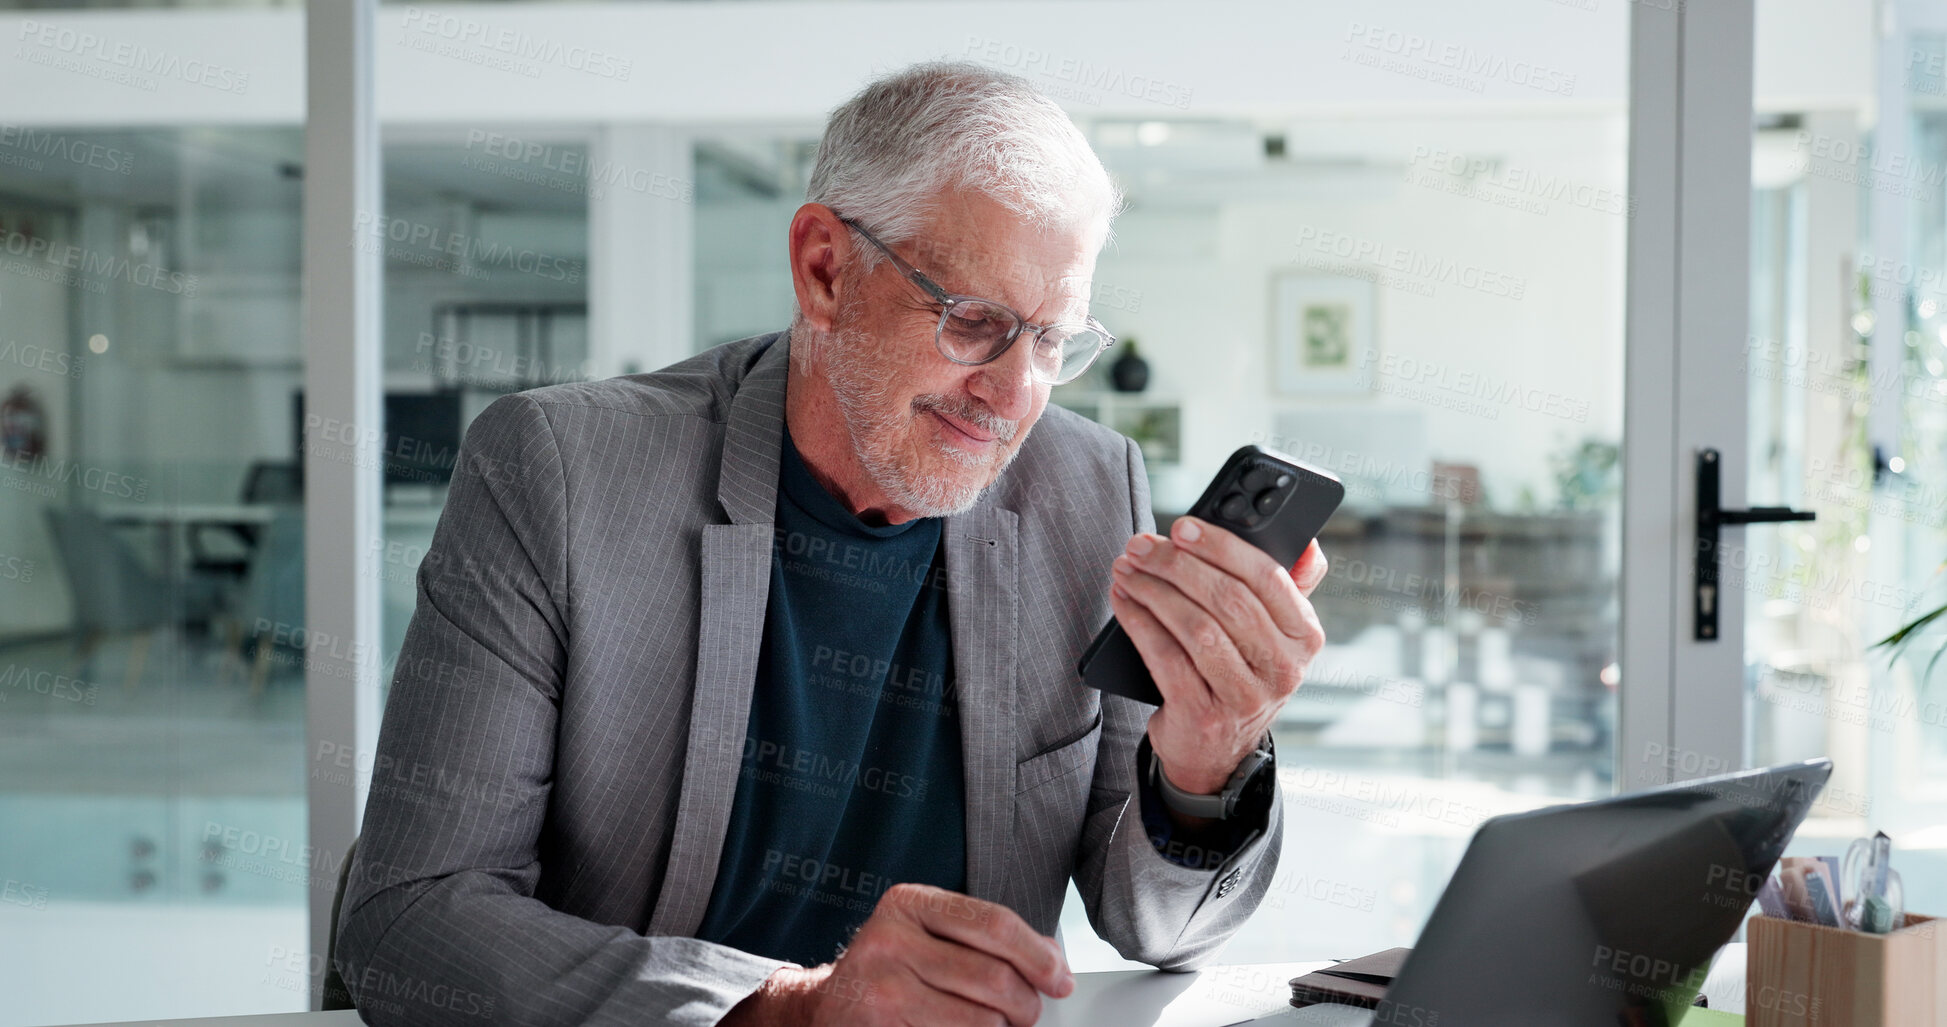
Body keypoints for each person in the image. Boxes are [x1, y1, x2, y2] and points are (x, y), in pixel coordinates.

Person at [336, 61, 1329, 1027]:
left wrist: (1203, 767)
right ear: (824, 269)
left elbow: (1158, 928)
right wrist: (780, 1011)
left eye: (1052, 340)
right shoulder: (560, 471)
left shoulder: (1088, 488)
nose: (1015, 393)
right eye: (977, 321)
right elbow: (410, 919)